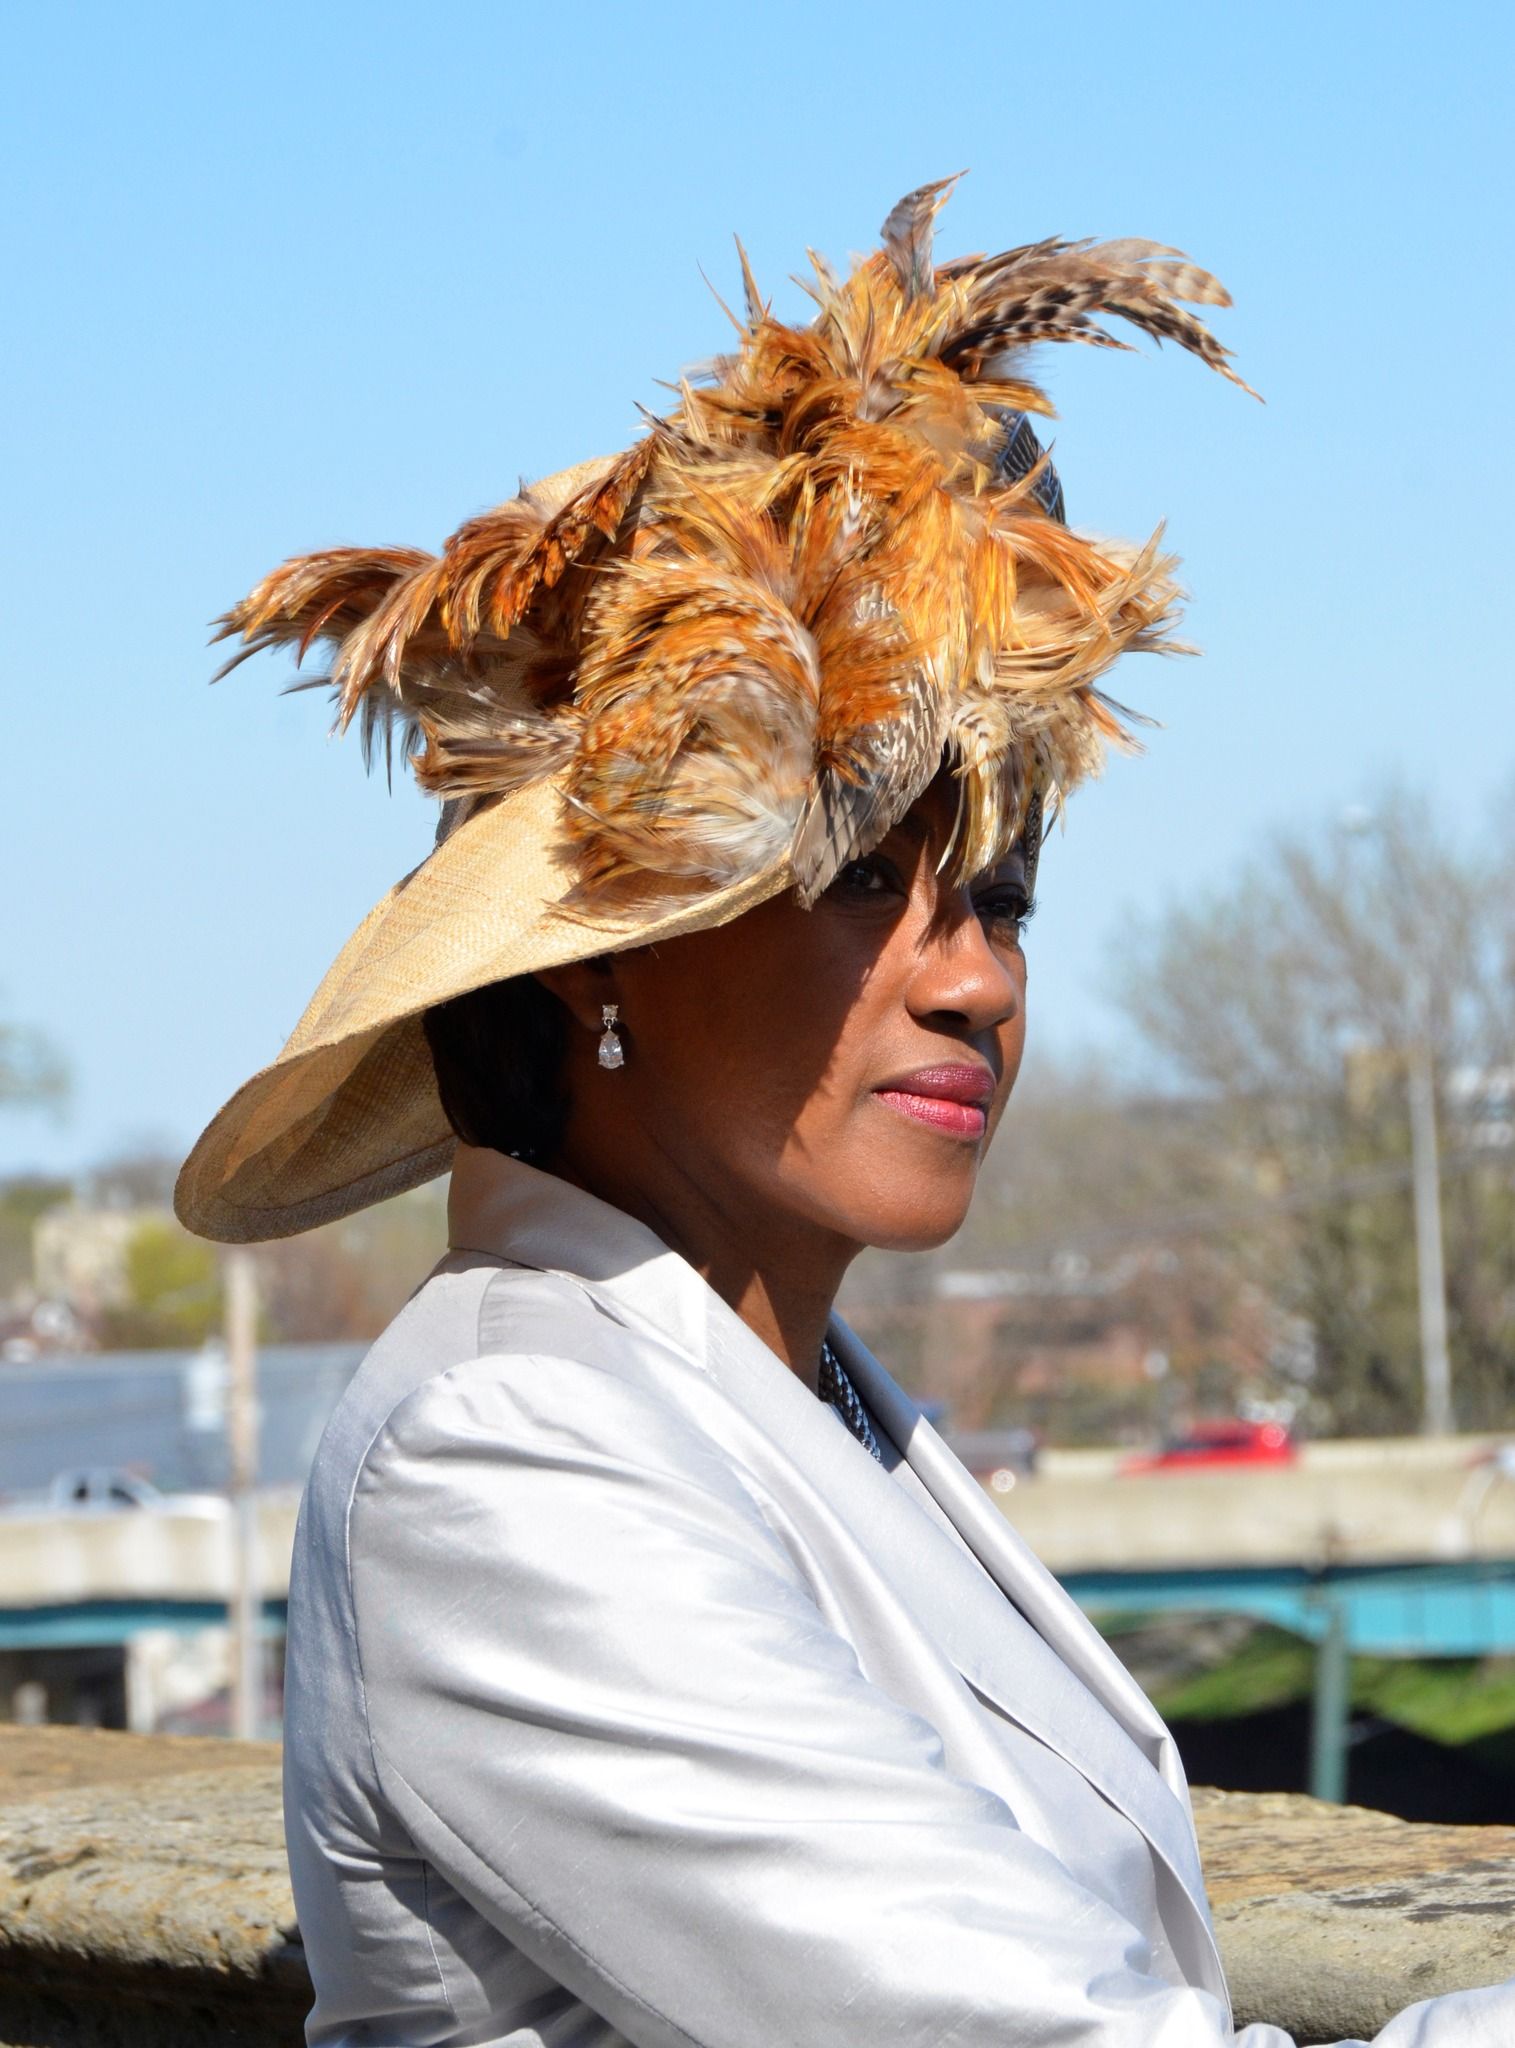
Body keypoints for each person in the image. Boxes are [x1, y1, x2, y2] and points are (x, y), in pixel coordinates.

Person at [178, 181, 1515, 2046]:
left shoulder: (783, 1396)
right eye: (856, 882)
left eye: (1005, 899)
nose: (976, 978)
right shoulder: (504, 1449)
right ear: (596, 959)